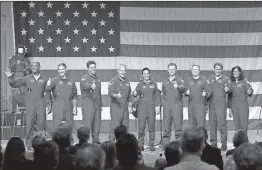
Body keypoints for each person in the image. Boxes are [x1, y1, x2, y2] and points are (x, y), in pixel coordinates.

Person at [4, 61, 52, 150]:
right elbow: (14, 84)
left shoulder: (44, 79)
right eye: (32, 66)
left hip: (41, 102)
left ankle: (41, 144)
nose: (34, 67)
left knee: (41, 124)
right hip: (30, 104)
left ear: (39, 67)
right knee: (29, 124)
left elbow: (48, 92)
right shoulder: (26, 78)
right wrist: (10, 77)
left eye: (36, 66)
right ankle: (29, 145)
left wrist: (49, 104)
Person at [132, 67, 160, 151]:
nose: (146, 75)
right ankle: (140, 144)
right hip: (142, 108)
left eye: (147, 73)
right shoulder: (139, 85)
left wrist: (158, 106)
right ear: (142, 75)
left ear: (149, 74)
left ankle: (151, 144)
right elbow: (134, 94)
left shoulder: (154, 84)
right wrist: (134, 93)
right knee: (141, 128)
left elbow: (157, 96)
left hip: (151, 108)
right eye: (144, 74)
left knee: (151, 127)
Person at [46, 63, 77, 131]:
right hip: (58, 105)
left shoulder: (71, 81)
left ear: (66, 70)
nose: (60, 71)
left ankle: (69, 141)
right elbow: (47, 90)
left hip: (69, 105)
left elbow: (74, 95)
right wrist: (49, 104)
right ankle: (56, 141)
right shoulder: (54, 80)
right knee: (57, 125)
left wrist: (74, 107)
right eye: (59, 69)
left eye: (62, 69)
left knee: (69, 124)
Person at [208, 63, 232, 151]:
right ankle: (213, 144)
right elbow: (207, 91)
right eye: (216, 69)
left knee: (222, 126)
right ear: (214, 69)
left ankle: (224, 144)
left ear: (222, 70)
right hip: (211, 106)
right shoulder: (210, 79)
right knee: (212, 126)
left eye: (219, 69)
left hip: (221, 107)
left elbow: (230, 90)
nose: (218, 71)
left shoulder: (226, 79)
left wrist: (227, 89)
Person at [161, 63, 185, 147]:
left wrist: (178, 86)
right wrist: (164, 103)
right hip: (167, 106)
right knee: (166, 127)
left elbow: (183, 89)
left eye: (173, 69)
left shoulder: (180, 80)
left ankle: (179, 146)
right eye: (170, 69)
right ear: (168, 70)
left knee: (178, 127)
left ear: (176, 70)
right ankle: (165, 145)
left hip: (177, 105)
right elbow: (163, 93)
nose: (171, 71)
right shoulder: (165, 81)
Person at [108, 64, 133, 141]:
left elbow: (129, 95)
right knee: (115, 127)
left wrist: (130, 105)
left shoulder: (127, 82)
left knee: (125, 127)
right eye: (121, 70)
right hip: (116, 107)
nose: (123, 72)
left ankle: (124, 144)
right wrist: (116, 95)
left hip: (124, 107)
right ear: (118, 71)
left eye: (124, 70)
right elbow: (110, 93)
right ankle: (111, 145)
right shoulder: (113, 81)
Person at [80, 60, 102, 144]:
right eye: (91, 67)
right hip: (88, 103)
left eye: (94, 67)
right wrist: (91, 87)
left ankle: (96, 140)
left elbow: (99, 93)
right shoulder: (84, 78)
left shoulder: (97, 79)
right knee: (87, 123)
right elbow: (85, 86)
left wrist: (101, 104)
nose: (93, 69)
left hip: (97, 103)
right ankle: (83, 141)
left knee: (97, 122)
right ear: (88, 68)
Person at [228, 66, 253, 133]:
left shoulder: (244, 82)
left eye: (237, 71)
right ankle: (237, 142)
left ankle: (244, 142)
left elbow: (249, 91)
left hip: (243, 105)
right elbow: (229, 97)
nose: (235, 73)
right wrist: (230, 109)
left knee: (244, 124)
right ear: (232, 73)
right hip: (234, 106)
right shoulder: (230, 83)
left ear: (240, 72)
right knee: (236, 124)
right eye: (234, 71)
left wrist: (250, 92)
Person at [7, 45, 31, 112]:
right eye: (19, 49)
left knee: (23, 93)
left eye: (22, 49)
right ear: (17, 50)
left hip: (23, 77)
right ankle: (13, 110)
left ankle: (24, 109)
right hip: (15, 76)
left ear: (24, 50)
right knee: (15, 93)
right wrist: (10, 73)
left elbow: (28, 68)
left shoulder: (26, 59)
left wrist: (27, 71)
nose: (20, 50)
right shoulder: (13, 58)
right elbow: (10, 67)